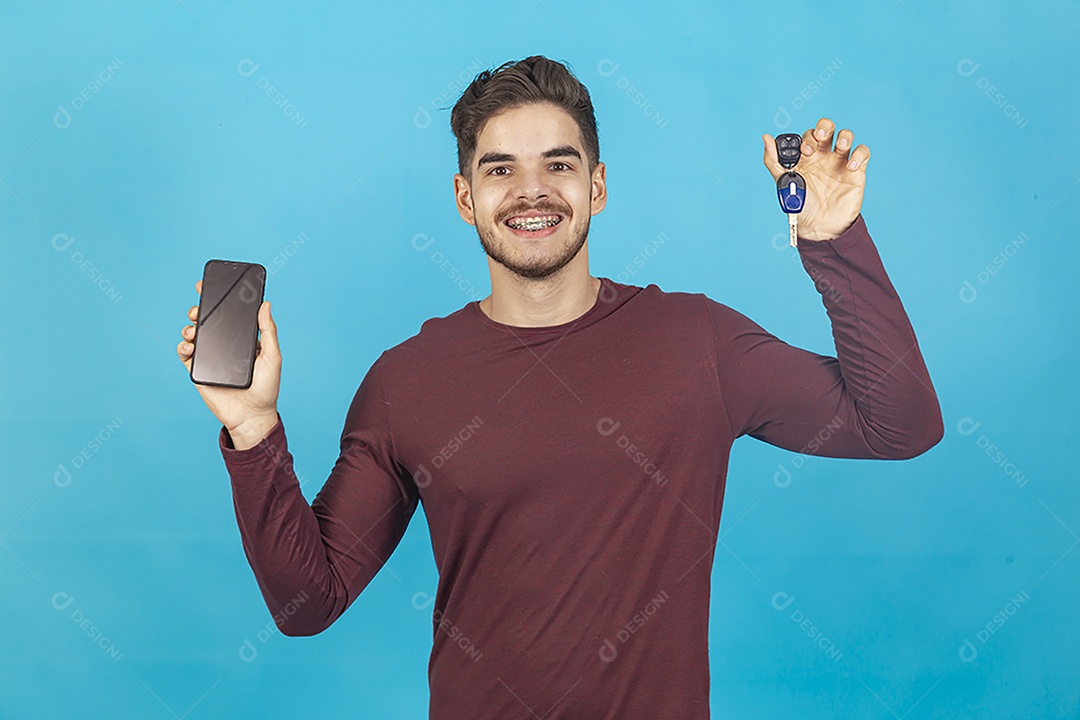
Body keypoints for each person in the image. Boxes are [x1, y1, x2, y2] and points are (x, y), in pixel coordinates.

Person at [176, 55, 943, 719]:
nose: (531, 191)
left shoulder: (697, 342)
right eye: (499, 168)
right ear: (464, 197)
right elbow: (307, 604)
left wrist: (834, 239)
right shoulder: (405, 381)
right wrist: (253, 429)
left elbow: (899, 425)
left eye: (560, 163)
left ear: (599, 185)